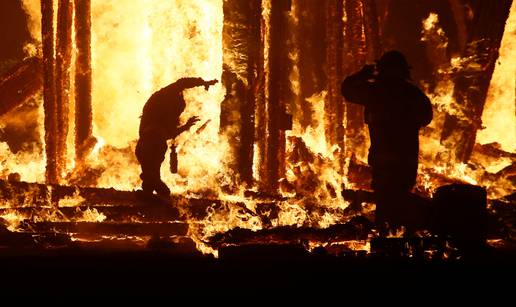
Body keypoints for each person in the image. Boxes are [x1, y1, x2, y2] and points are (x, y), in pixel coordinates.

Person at [341, 50, 433, 229]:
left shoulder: (375, 92)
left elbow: (347, 90)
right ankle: (400, 237)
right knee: (399, 199)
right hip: (406, 160)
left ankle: (387, 238)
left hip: (384, 160)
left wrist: (362, 74)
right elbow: (426, 118)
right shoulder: (413, 95)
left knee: (386, 200)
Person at [135, 77, 218, 198]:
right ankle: (150, 184)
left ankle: (149, 187)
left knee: (151, 176)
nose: (178, 114)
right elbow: (183, 83)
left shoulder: (158, 112)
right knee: (153, 177)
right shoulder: (161, 98)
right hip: (151, 144)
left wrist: (186, 126)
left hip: (149, 144)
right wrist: (203, 82)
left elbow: (168, 134)